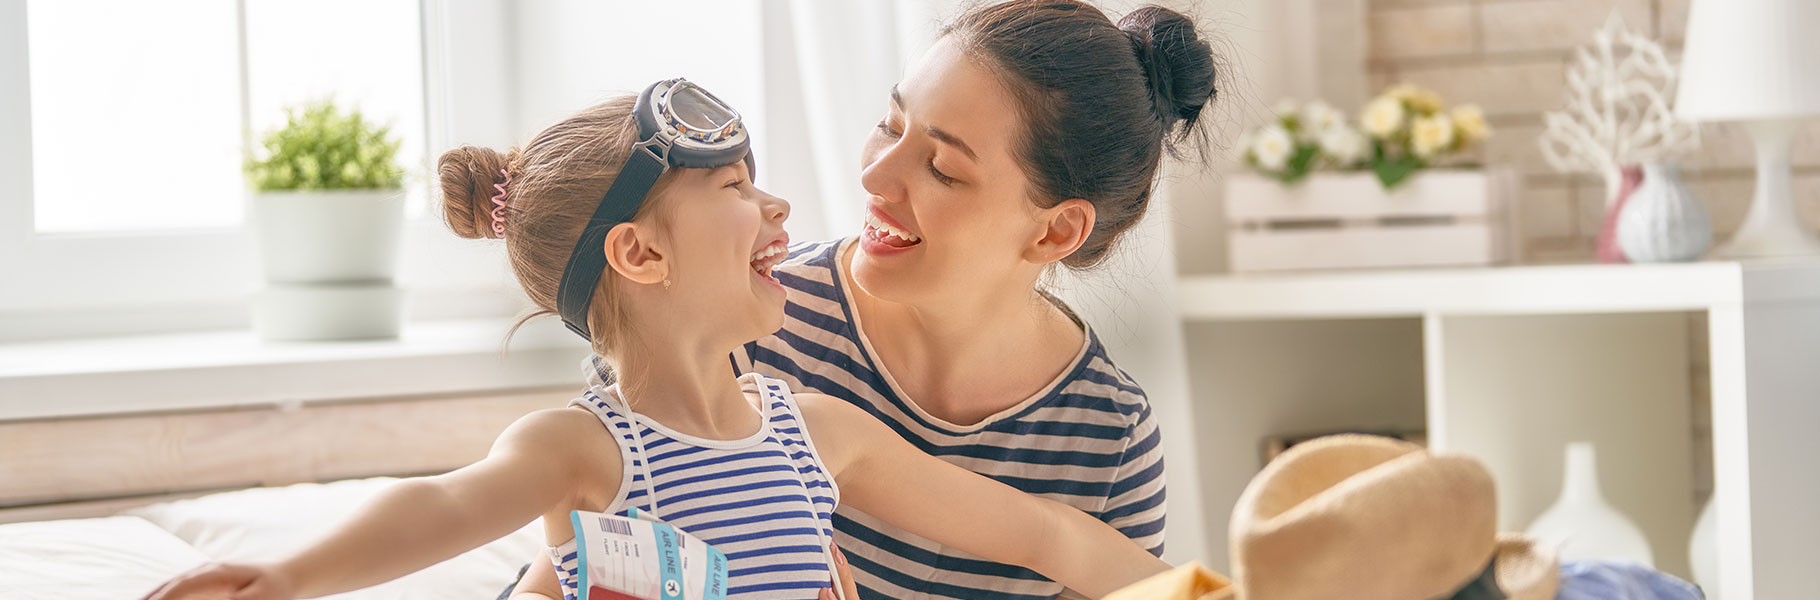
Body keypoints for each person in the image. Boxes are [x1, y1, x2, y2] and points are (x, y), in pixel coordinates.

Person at [140, 78, 1169, 600]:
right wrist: (283, 580)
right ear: (638, 256)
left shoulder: (816, 431)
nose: (778, 209)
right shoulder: (584, 450)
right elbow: (437, 507)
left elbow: (1043, 534)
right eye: (731, 189)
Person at [512, 2, 1221, 598]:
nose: (877, 175)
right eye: (890, 124)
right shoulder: (735, 316)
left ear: (1057, 229)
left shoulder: (1108, 435)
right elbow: (572, 567)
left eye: (942, 168)